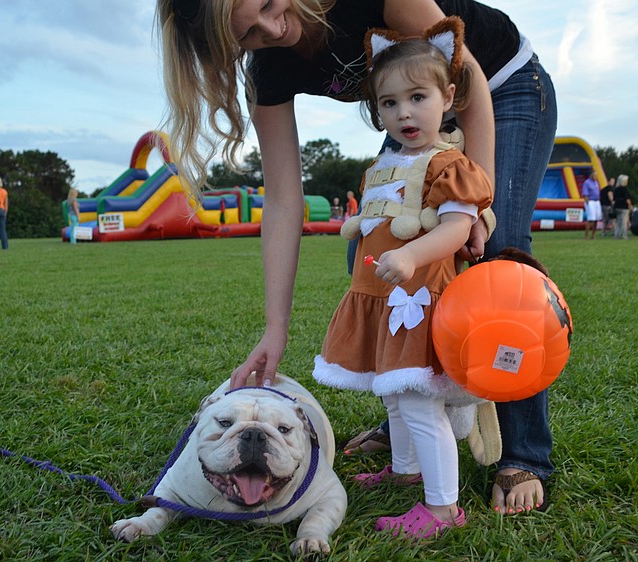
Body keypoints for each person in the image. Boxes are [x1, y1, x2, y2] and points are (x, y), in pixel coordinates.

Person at [158, 0, 558, 515]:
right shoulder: (270, 69)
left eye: (265, 6)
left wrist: (475, 204)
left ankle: (524, 454)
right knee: (373, 247)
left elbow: (472, 78)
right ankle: (415, 415)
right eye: (249, 38)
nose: (272, 29)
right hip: (415, 107)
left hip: (498, 86)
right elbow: (283, 198)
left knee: (496, 260)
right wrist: (274, 328)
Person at [312, 19, 493, 538]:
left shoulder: (449, 163)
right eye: (389, 103)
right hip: (378, 297)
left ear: (449, 97)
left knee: (418, 400)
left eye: (417, 96)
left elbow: (458, 228)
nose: (404, 112)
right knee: (392, 394)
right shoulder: (385, 165)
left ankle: (442, 509)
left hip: (416, 297)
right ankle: (405, 470)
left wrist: (413, 255)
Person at [581, 171, 601, 239]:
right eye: (594, 175)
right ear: (591, 175)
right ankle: (586, 236)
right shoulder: (587, 183)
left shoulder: (596, 182)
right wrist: (588, 204)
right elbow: (585, 194)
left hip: (597, 201)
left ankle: (593, 235)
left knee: (596, 219)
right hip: (590, 201)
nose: (596, 177)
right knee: (590, 219)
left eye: (596, 175)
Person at [613, 175, 633, 240]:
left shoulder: (616, 189)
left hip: (617, 206)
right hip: (624, 207)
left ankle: (617, 235)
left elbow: (614, 198)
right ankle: (624, 236)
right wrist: (630, 206)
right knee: (624, 222)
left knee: (618, 222)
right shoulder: (625, 189)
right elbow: (627, 199)